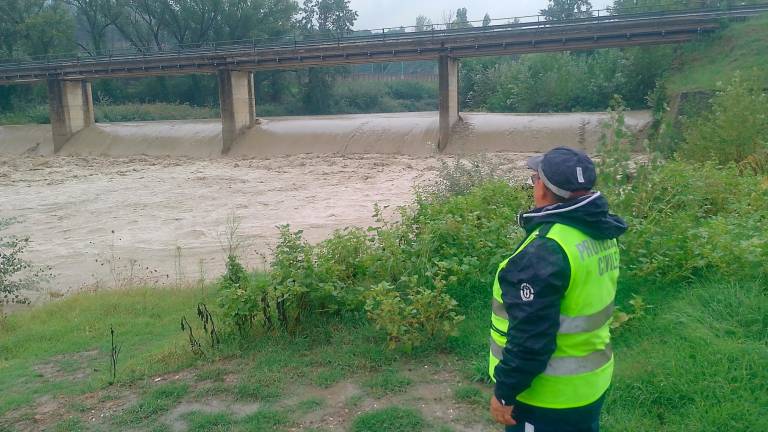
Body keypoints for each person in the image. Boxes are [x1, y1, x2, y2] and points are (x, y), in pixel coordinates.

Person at [488, 147, 628, 432]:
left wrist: (505, 391)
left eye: (533, 179)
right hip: (590, 383)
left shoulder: (546, 249)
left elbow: (531, 338)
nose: (532, 185)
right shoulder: (599, 231)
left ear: (543, 188)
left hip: (547, 397)